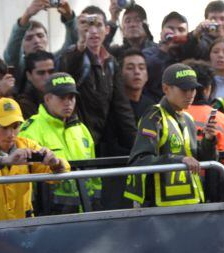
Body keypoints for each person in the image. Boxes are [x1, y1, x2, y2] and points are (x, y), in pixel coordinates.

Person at [0, 98, 69, 223]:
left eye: (15, 127)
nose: (11, 134)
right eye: (4, 127)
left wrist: (55, 163)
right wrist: (3, 160)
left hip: (23, 231)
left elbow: (59, 174)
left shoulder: (27, 145)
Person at [124, 64, 218, 207]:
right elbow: (139, 160)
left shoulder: (188, 118)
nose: (190, 94)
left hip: (191, 203)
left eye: (193, 89)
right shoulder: (154, 116)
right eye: (184, 89)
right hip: (160, 209)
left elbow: (202, 159)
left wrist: (209, 140)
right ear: (165, 89)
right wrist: (180, 160)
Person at [60, 7, 136, 156]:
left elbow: (122, 107)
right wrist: (81, 42)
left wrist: (138, 147)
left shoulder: (111, 62)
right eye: (88, 25)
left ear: (107, 29)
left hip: (102, 142)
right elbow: (66, 74)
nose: (93, 31)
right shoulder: (72, 54)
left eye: (98, 25)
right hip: (75, 140)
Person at [20, 73, 99, 213]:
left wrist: (97, 203)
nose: (68, 102)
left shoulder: (81, 129)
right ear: (48, 98)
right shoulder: (31, 130)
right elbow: (25, 180)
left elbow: (93, 173)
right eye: (62, 97)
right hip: (50, 214)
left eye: (71, 97)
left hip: (87, 211)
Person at [184, 60, 224, 193]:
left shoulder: (171, 116)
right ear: (208, 88)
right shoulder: (219, 119)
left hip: (176, 189)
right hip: (213, 191)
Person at [3, 1, 76, 71]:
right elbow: (11, 55)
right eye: (29, 38)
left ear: (47, 39)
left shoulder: (56, 60)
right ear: (21, 46)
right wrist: (26, 15)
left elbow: (72, 47)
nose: (36, 41)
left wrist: (69, 17)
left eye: (40, 36)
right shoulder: (19, 67)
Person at [143, 12, 197, 101]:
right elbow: (149, 72)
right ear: (161, 33)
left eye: (180, 30)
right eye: (170, 28)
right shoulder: (149, 53)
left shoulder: (189, 55)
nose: (175, 33)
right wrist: (165, 49)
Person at [16, 51, 55, 118]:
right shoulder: (24, 104)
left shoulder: (65, 96)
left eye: (51, 72)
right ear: (29, 75)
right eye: (41, 73)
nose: (47, 77)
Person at [119, 49, 155, 122]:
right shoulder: (114, 106)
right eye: (130, 68)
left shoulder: (151, 107)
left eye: (141, 68)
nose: (137, 72)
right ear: (120, 74)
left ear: (147, 76)